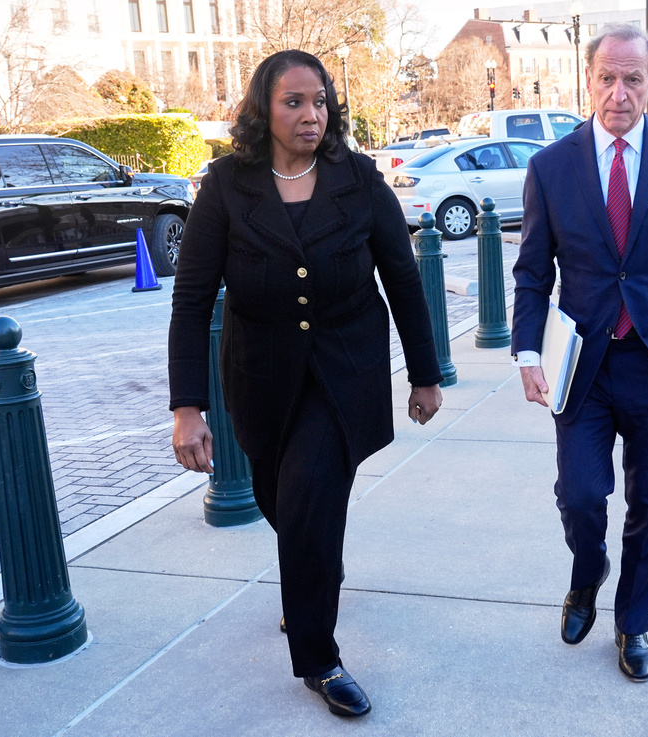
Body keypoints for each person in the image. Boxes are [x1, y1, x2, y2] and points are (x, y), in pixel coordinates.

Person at [167, 50, 443, 718]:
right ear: (264, 110)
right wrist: (187, 406)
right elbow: (192, 296)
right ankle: (315, 566)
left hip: (342, 372)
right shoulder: (227, 186)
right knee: (279, 497)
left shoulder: (358, 178)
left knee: (312, 497)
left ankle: (319, 657)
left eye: (319, 101)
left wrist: (425, 372)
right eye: (294, 102)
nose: (311, 114)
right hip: (259, 375)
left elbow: (402, 278)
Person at [511, 25, 648, 682]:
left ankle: (632, 622)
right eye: (606, 78)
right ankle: (587, 571)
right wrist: (528, 350)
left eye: (632, 78)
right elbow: (531, 273)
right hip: (580, 363)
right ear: (589, 81)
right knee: (580, 494)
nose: (618, 92)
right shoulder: (550, 168)